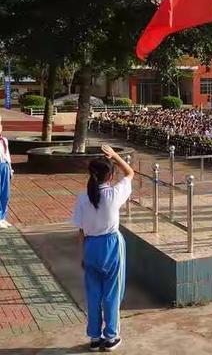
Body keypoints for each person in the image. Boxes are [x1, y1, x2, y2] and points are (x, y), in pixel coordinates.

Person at [73, 145, 134, 352]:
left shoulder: (82, 198)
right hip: (111, 245)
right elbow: (130, 173)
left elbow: (80, 232)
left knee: (93, 293)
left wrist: (83, 255)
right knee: (112, 292)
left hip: (91, 247)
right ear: (109, 176)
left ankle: (94, 337)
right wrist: (115, 156)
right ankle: (111, 336)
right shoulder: (114, 194)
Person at [0, 120, 13, 229]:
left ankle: (3, 217)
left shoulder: (4, 140)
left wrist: (10, 169)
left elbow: (7, 155)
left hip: (5, 166)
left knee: (6, 194)